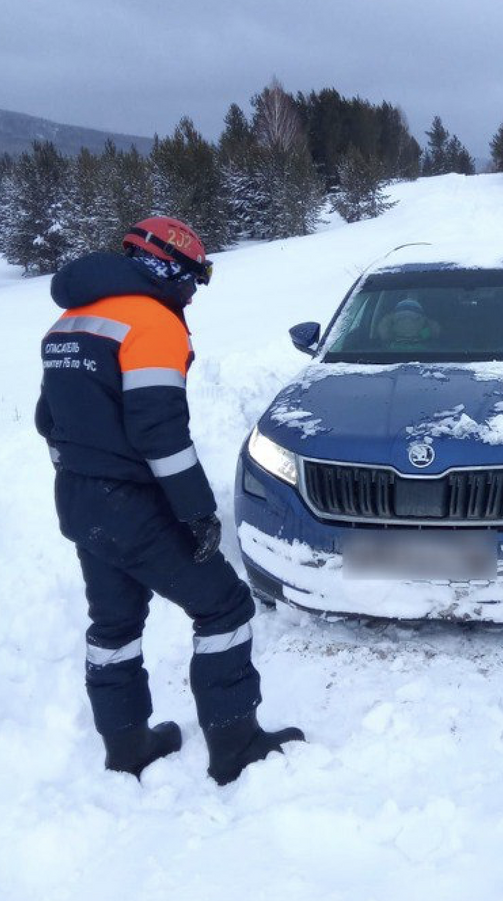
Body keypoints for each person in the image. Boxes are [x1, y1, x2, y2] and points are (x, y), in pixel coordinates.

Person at [36, 216, 304, 784]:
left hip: (79, 500)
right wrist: (196, 510)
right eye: (195, 280)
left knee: (113, 625)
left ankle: (128, 745)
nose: (193, 293)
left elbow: (46, 419)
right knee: (224, 607)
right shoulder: (152, 321)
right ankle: (235, 744)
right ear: (171, 267)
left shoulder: (68, 323)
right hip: (131, 501)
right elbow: (159, 432)